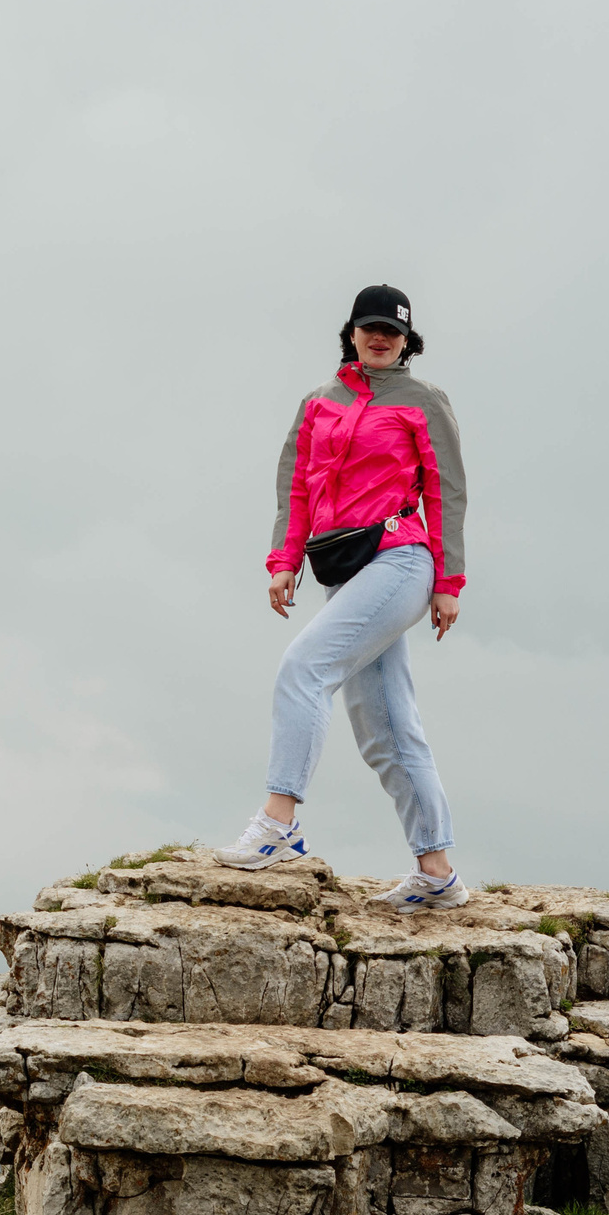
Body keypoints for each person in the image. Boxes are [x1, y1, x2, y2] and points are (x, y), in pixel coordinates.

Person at [214, 284, 470, 911]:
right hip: (342, 571)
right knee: (385, 725)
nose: (380, 337)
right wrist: (284, 563)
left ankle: (278, 824)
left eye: (393, 329)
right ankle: (437, 872)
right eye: (369, 326)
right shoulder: (318, 403)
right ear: (351, 332)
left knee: (305, 668)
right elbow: (295, 489)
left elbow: (447, 492)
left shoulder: (423, 400)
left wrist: (448, 581)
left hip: (401, 559)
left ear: (408, 340)